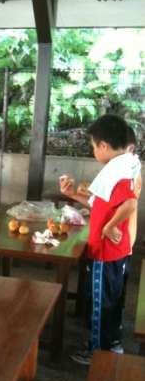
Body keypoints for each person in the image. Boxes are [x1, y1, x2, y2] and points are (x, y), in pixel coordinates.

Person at [60, 114, 138, 365]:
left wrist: (109, 226)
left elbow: (130, 204)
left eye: (93, 146)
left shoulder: (120, 171)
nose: (94, 151)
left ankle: (97, 352)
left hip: (106, 252)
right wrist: (71, 194)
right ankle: (111, 344)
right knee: (110, 300)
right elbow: (98, 204)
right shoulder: (119, 168)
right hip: (114, 251)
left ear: (103, 145)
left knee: (100, 301)